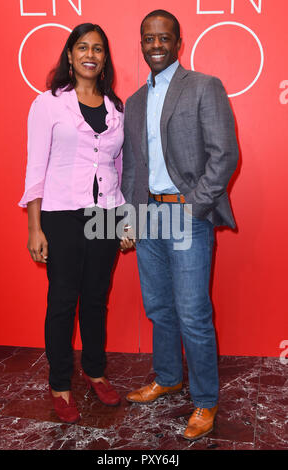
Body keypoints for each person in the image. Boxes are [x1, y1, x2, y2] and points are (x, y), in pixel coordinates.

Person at [120, 10, 239, 440]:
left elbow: (224, 153)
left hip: (185, 214)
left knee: (192, 313)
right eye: (148, 38)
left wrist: (193, 207)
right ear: (141, 43)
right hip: (148, 216)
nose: (156, 45)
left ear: (178, 41)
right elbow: (132, 168)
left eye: (163, 38)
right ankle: (168, 376)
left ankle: (205, 401)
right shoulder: (133, 102)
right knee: (159, 308)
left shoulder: (204, 87)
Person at [19, 23, 125, 423]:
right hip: (61, 215)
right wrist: (34, 226)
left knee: (96, 299)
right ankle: (60, 383)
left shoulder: (115, 108)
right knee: (63, 302)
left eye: (98, 48)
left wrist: (125, 220)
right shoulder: (47, 104)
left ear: (104, 59)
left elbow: (118, 167)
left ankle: (94, 371)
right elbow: (35, 166)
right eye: (83, 47)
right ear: (70, 55)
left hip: (106, 216)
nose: (90, 54)